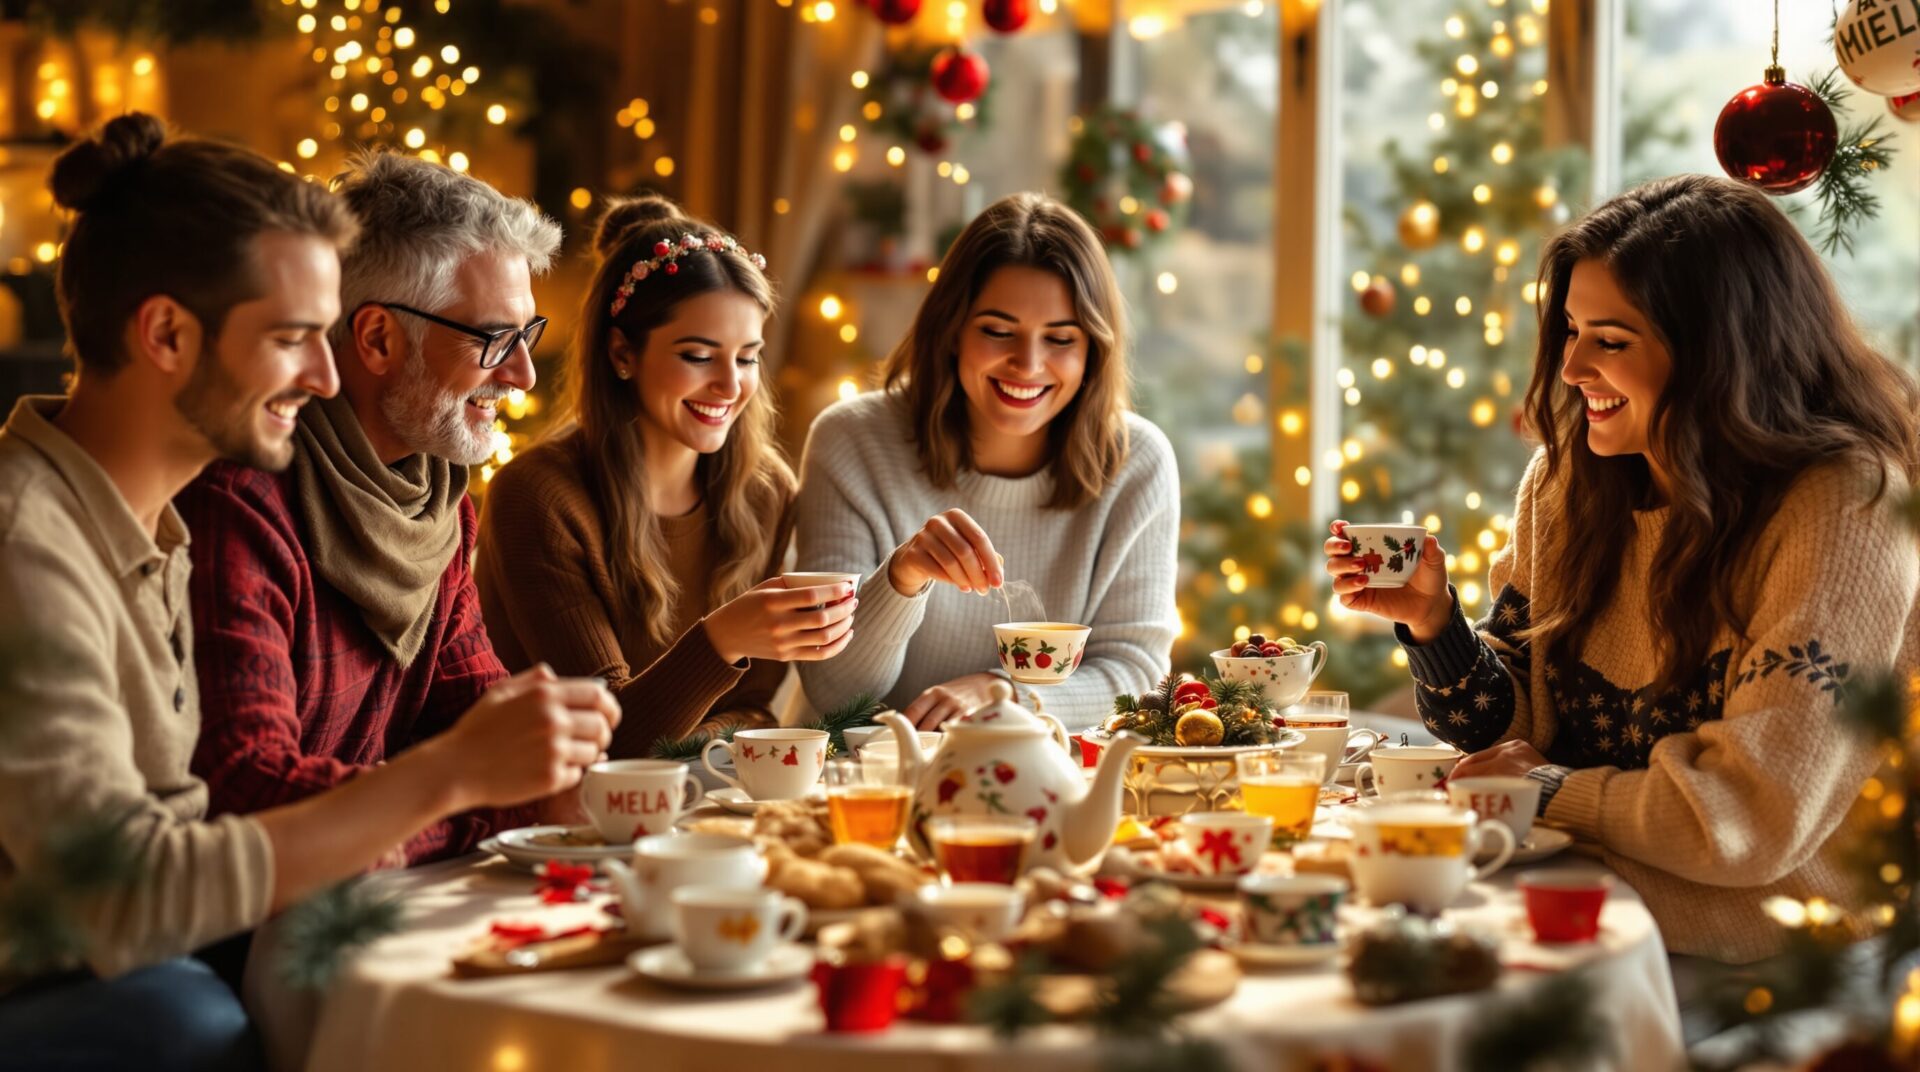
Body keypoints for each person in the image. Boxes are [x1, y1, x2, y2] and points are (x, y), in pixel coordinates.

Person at [0, 114, 616, 1071]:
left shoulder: (145, 525)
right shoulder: (31, 543)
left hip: (155, 949)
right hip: (63, 984)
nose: (327, 374)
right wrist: (452, 781)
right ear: (165, 333)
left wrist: (488, 771)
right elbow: (134, 884)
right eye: (296, 337)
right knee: (206, 1025)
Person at [1326, 174, 1920, 965]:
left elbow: (1747, 820)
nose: (1570, 369)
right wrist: (1436, 629)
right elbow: (1516, 732)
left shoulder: (1843, 506)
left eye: (1609, 340)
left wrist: (1545, 788)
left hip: (1764, 952)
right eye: (1569, 331)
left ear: (1719, 352)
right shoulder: (1570, 480)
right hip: (1576, 888)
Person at [177, 149, 607, 862]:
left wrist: (505, 775)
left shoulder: (435, 499)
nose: (523, 375)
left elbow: (484, 726)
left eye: (528, 335)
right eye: (495, 339)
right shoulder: (240, 502)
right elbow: (248, 794)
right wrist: (461, 799)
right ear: (377, 338)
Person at [477, 196, 855, 754]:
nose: (730, 387)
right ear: (623, 353)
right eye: (699, 356)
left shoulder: (766, 492)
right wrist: (721, 641)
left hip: (708, 812)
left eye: (747, 357)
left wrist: (696, 735)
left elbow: (756, 711)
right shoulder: (537, 497)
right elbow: (608, 744)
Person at [792, 192, 1178, 730]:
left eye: (1061, 338)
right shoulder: (852, 441)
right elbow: (836, 694)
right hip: (867, 782)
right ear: (952, 330)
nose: (1029, 364)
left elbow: (1135, 672)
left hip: (1044, 780)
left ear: (1094, 349)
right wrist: (901, 579)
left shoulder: (1137, 462)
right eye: (998, 331)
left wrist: (1006, 694)